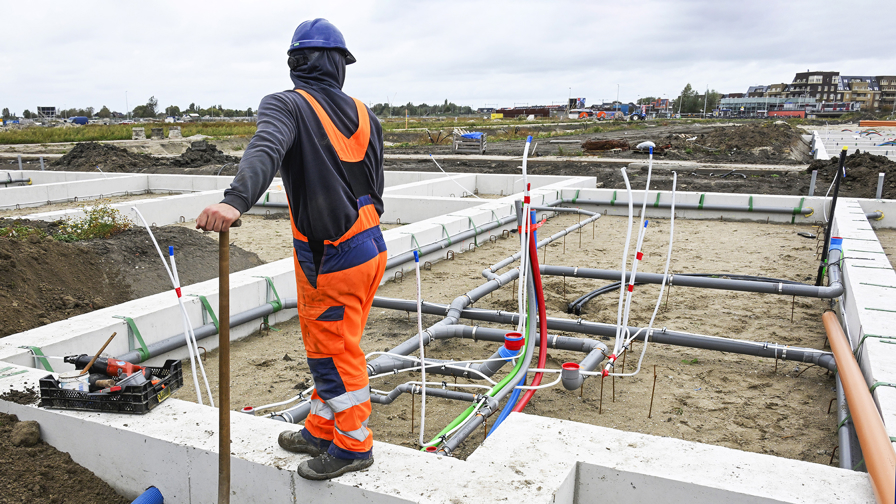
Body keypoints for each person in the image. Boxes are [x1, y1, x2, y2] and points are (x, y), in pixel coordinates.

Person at [196, 18, 386, 480]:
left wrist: (235, 200)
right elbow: (376, 183)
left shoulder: (286, 104)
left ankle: (353, 446)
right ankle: (321, 428)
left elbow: (266, 148)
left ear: (296, 63)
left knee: (333, 351)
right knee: (333, 343)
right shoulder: (366, 113)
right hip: (368, 242)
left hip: (330, 252)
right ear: (339, 64)